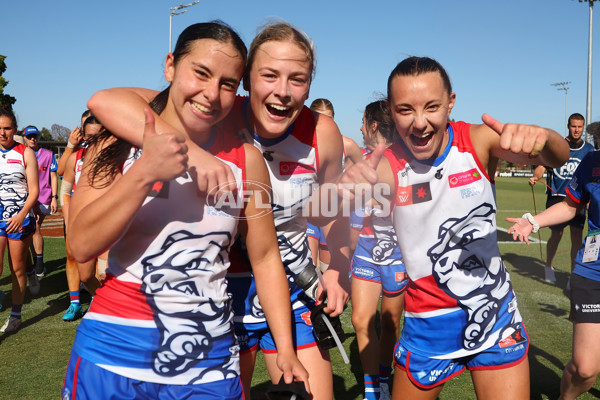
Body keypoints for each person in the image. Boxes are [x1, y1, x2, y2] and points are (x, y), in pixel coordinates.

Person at [87, 21, 350, 400]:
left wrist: (338, 270)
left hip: (288, 284)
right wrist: (192, 151)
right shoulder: (218, 107)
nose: (282, 92)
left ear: (310, 85)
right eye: (269, 75)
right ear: (245, 81)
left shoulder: (322, 133)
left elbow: (333, 211)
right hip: (220, 293)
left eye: (298, 79)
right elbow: (106, 101)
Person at [341, 56, 570, 399]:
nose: (420, 123)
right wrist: (340, 191)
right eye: (405, 110)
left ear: (451, 102)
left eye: (432, 107)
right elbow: (323, 210)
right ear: (390, 110)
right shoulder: (387, 166)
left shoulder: (477, 140)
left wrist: (545, 137)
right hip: (427, 327)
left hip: (496, 319)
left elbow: (559, 157)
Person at [508, 148, 600, 400]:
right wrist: (534, 221)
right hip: (592, 272)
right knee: (585, 368)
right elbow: (571, 206)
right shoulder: (592, 161)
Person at [350, 100, 407, 400]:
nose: (360, 127)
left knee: (390, 321)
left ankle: (384, 375)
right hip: (365, 249)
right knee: (360, 319)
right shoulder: (358, 159)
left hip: (398, 252)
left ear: (373, 125)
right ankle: (373, 391)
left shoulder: (405, 161)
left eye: (363, 121)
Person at [528, 113, 594, 283]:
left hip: (578, 197)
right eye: (574, 126)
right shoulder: (558, 145)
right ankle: (548, 266)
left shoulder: (589, 149)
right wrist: (536, 176)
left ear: (583, 127)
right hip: (558, 195)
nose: (577, 130)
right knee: (556, 234)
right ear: (568, 126)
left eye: (580, 126)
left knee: (576, 237)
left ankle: (573, 276)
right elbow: (542, 166)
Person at [0, 106, 40, 334]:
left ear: (14, 129)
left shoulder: (25, 152)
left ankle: (15, 315)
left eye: (7, 128)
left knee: (17, 268)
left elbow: (33, 191)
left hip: (19, 215)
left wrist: (22, 214)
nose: (3, 132)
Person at [58, 115, 103, 321]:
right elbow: (65, 190)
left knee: (104, 273)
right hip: (78, 222)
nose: (94, 141)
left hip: (106, 223)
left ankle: (105, 307)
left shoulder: (116, 158)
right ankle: (81, 301)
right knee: (85, 273)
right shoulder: (75, 158)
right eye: (91, 137)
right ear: (84, 136)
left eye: (100, 136)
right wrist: (68, 217)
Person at [22, 125, 58, 277]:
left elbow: (54, 177)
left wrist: (55, 197)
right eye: (29, 136)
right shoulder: (21, 154)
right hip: (24, 198)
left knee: (35, 226)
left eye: (35, 136)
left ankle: (39, 265)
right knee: (29, 231)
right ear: (24, 138)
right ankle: (34, 263)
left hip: (43, 199)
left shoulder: (48, 155)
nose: (32, 139)